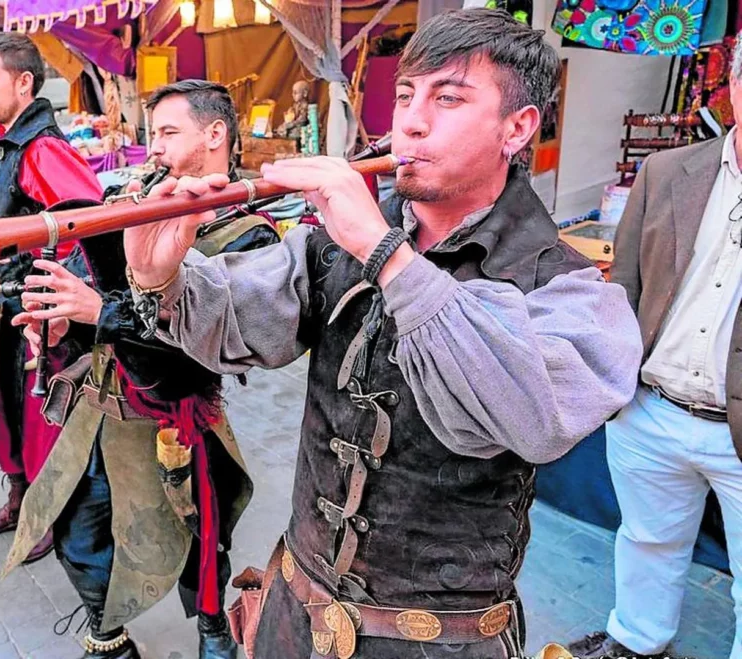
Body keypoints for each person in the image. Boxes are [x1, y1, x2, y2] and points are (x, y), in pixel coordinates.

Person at [120, 9, 642, 658]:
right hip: (293, 614)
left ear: (518, 127)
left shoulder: (568, 289)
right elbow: (238, 315)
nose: (411, 120)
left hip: (438, 647)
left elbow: (532, 416)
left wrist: (384, 250)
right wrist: (161, 276)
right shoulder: (330, 243)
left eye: (447, 97)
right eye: (405, 93)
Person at [3, 80, 281, 659]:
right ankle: (108, 637)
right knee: (76, 534)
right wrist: (59, 322)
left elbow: (208, 346)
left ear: (214, 135)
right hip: (100, 408)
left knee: (199, 539)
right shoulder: (138, 201)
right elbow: (97, 288)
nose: (154, 148)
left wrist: (96, 308)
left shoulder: (249, 233)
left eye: (168, 133)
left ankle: (213, 632)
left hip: (178, 417)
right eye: (152, 134)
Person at [565, 41, 742, 659]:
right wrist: (618, 386)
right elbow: (628, 285)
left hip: (736, 430)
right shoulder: (668, 174)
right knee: (646, 538)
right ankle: (638, 642)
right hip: (653, 407)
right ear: (735, 92)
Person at [0, 32, 102, 564]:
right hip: (6, 304)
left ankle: (47, 515)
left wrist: (54, 298)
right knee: (7, 415)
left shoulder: (44, 148)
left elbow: (89, 224)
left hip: (38, 315)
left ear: (23, 83)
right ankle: (20, 500)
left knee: (42, 423)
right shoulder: (4, 139)